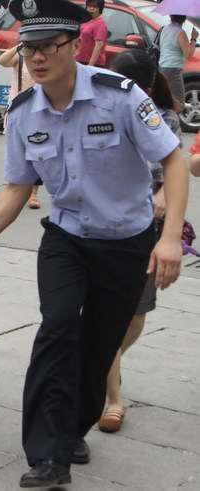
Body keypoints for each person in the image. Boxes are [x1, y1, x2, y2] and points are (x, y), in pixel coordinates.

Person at [0, 0, 189, 487]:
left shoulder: (120, 96)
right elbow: (17, 188)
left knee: (99, 347)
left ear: (74, 45)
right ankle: (46, 455)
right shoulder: (21, 113)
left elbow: (174, 160)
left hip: (127, 242)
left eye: (46, 47)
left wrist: (168, 239)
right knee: (57, 329)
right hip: (67, 239)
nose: (36, 58)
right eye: (28, 49)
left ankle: (71, 430)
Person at [98, 48, 183, 433]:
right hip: (103, 228)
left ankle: (104, 354)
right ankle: (113, 398)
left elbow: (175, 165)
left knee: (135, 315)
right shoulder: (100, 113)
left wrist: (165, 197)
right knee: (105, 315)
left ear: (144, 87)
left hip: (146, 227)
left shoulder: (163, 119)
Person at [0, 46, 42, 209]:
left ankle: (34, 193)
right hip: (17, 106)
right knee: (16, 150)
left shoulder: (42, 57)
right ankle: (15, 187)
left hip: (38, 107)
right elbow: (2, 61)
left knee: (37, 150)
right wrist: (20, 46)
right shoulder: (19, 55)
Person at [158, 15, 198, 105]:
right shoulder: (180, 32)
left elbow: (161, 47)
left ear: (171, 16)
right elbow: (188, 53)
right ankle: (172, 119)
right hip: (173, 70)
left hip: (162, 67)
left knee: (167, 101)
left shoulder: (164, 29)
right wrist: (193, 38)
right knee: (179, 103)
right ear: (184, 18)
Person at [76, 0, 107, 68]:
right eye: (89, 6)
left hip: (92, 64)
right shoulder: (86, 21)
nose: (91, 8)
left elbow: (99, 45)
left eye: (95, 6)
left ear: (100, 9)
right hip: (80, 60)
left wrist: (90, 65)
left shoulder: (100, 23)